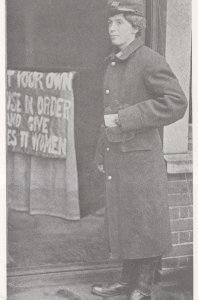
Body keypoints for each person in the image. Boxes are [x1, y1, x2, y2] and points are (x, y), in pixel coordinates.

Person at [91, 0, 188, 299]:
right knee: (125, 219)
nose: (112, 28)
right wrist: (100, 151)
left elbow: (176, 102)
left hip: (142, 159)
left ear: (136, 26)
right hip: (119, 156)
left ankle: (142, 288)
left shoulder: (149, 60)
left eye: (119, 22)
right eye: (110, 23)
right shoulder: (114, 62)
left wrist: (128, 117)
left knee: (144, 222)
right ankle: (125, 280)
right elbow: (109, 113)